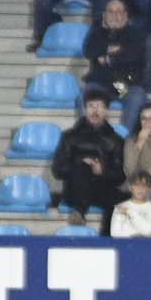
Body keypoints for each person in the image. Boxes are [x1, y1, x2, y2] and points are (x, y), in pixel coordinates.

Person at [52, 88, 126, 227]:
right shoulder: (70, 137)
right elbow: (58, 170)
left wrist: (101, 171)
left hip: (102, 189)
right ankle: (79, 211)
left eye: (99, 106)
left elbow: (120, 175)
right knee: (83, 167)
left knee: (121, 201)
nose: (95, 111)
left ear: (106, 111)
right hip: (75, 190)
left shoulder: (116, 140)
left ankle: (106, 240)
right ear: (85, 110)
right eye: (91, 106)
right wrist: (79, 163)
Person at [83, 0, 147, 128]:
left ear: (125, 15)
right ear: (104, 15)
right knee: (86, 93)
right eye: (111, 12)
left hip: (125, 85)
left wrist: (109, 59)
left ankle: (123, 141)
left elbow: (134, 55)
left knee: (137, 96)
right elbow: (89, 51)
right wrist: (111, 49)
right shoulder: (97, 33)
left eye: (119, 12)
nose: (115, 16)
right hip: (102, 84)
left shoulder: (136, 34)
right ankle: (91, 138)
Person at [111, 170, 151, 237]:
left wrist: (129, 212)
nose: (140, 189)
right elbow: (115, 233)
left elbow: (149, 231)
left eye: (144, 186)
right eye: (136, 185)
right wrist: (137, 233)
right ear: (130, 187)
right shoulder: (121, 207)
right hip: (125, 244)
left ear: (149, 189)